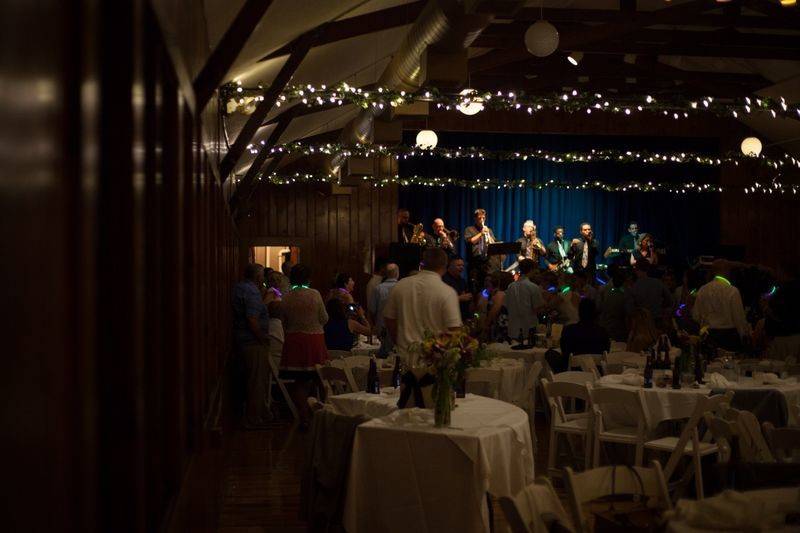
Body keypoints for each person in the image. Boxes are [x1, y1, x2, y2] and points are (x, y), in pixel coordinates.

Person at [383, 248, 462, 365]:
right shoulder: (447, 292)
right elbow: (455, 331)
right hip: (434, 363)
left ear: (422, 264)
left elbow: (389, 319)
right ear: (445, 267)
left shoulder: (400, 286)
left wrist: (399, 341)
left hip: (405, 359)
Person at [280, 263, 329, 425]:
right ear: (308, 278)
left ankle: (303, 415)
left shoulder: (286, 296)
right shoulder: (314, 295)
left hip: (294, 341)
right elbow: (324, 318)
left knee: (299, 380)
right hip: (314, 340)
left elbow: (283, 321)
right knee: (320, 378)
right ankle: (324, 414)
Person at [232, 263, 271, 428]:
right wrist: (262, 338)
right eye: (262, 275)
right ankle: (253, 419)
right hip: (252, 342)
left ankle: (255, 415)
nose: (263, 278)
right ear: (257, 277)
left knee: (249, 380)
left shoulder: (239, 287)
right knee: (256, 381)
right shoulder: (252, 291)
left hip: (242, 340)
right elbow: (252, 319)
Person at [692, 260, 751, 352]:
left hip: (708, 336)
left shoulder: (703, 290)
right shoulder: (733, 291)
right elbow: (738, 319)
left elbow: (695, 315)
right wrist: (744, 337)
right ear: (726, 271)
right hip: (729, 338)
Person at [505, 259, 546, 340]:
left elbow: (507, 305)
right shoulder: (533, 287)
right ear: (531, 269)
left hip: (513, 328)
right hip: (529, 327)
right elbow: (538, 308)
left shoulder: (510, 286)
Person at [625, 261, 673, 325]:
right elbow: (670, 300)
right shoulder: (658, 283)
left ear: (636, 270)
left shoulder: (633, 287)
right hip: (658, 321)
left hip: (643, 323)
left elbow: (630, 310)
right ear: (647, 269)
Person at [370, 262, 400, 356]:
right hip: (397, 327)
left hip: (381, 327)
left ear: (386, 274)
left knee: (382, 356)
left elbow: (372, 310)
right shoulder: (401, 288)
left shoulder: (378, 289)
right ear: (397, 273)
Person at [463, 208, 498, 286]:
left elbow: (493, 244)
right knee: (475, 285)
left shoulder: (489, 230)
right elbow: (471, 241)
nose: (482, 220)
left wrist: (489, 235)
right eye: (479, 218)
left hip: (487, 263)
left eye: (483, 218)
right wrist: (481, 233)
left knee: (487, 285)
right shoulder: (469, 229)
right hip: (475, 263)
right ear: (475, 219)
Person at [597, 267, 629, 342]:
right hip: (619, 328)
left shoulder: (604, 290)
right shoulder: (625, 294)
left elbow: (599, 307)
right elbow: (627, 312)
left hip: (606, 325)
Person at [482, 271, 514, 342]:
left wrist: (486, 324)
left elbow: (495, 309)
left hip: (500, 325)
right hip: (504, 324)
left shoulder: (500, 294)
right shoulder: (505, 293)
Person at [442, 256, 473, 320]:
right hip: (449, 317)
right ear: (450, 265)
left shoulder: (462, 281)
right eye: (458, 265)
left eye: (462, 265)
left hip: (462, 316)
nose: (461, 267)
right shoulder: (443, 280)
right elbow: (441, 300)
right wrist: (459, 298)